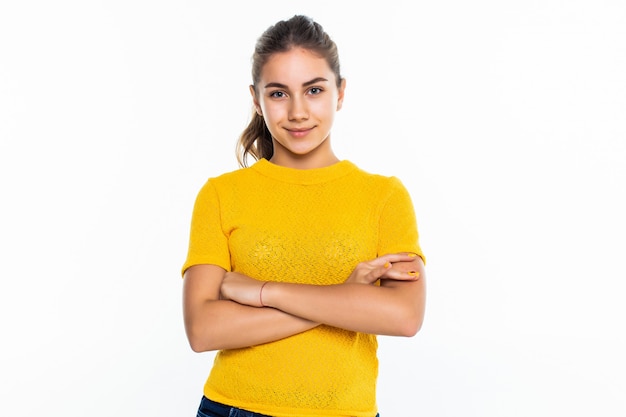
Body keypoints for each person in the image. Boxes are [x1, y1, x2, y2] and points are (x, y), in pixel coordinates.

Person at [181, 14, 426, 417]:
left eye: (313, 89)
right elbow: (203, 329)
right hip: (235, 408)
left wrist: (264, 292)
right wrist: (347, 298)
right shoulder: (221, 194)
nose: (297, 112)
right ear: (256, 99)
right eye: (278, 94)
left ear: (340, 92)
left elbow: (404, 316)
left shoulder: (383, 195)